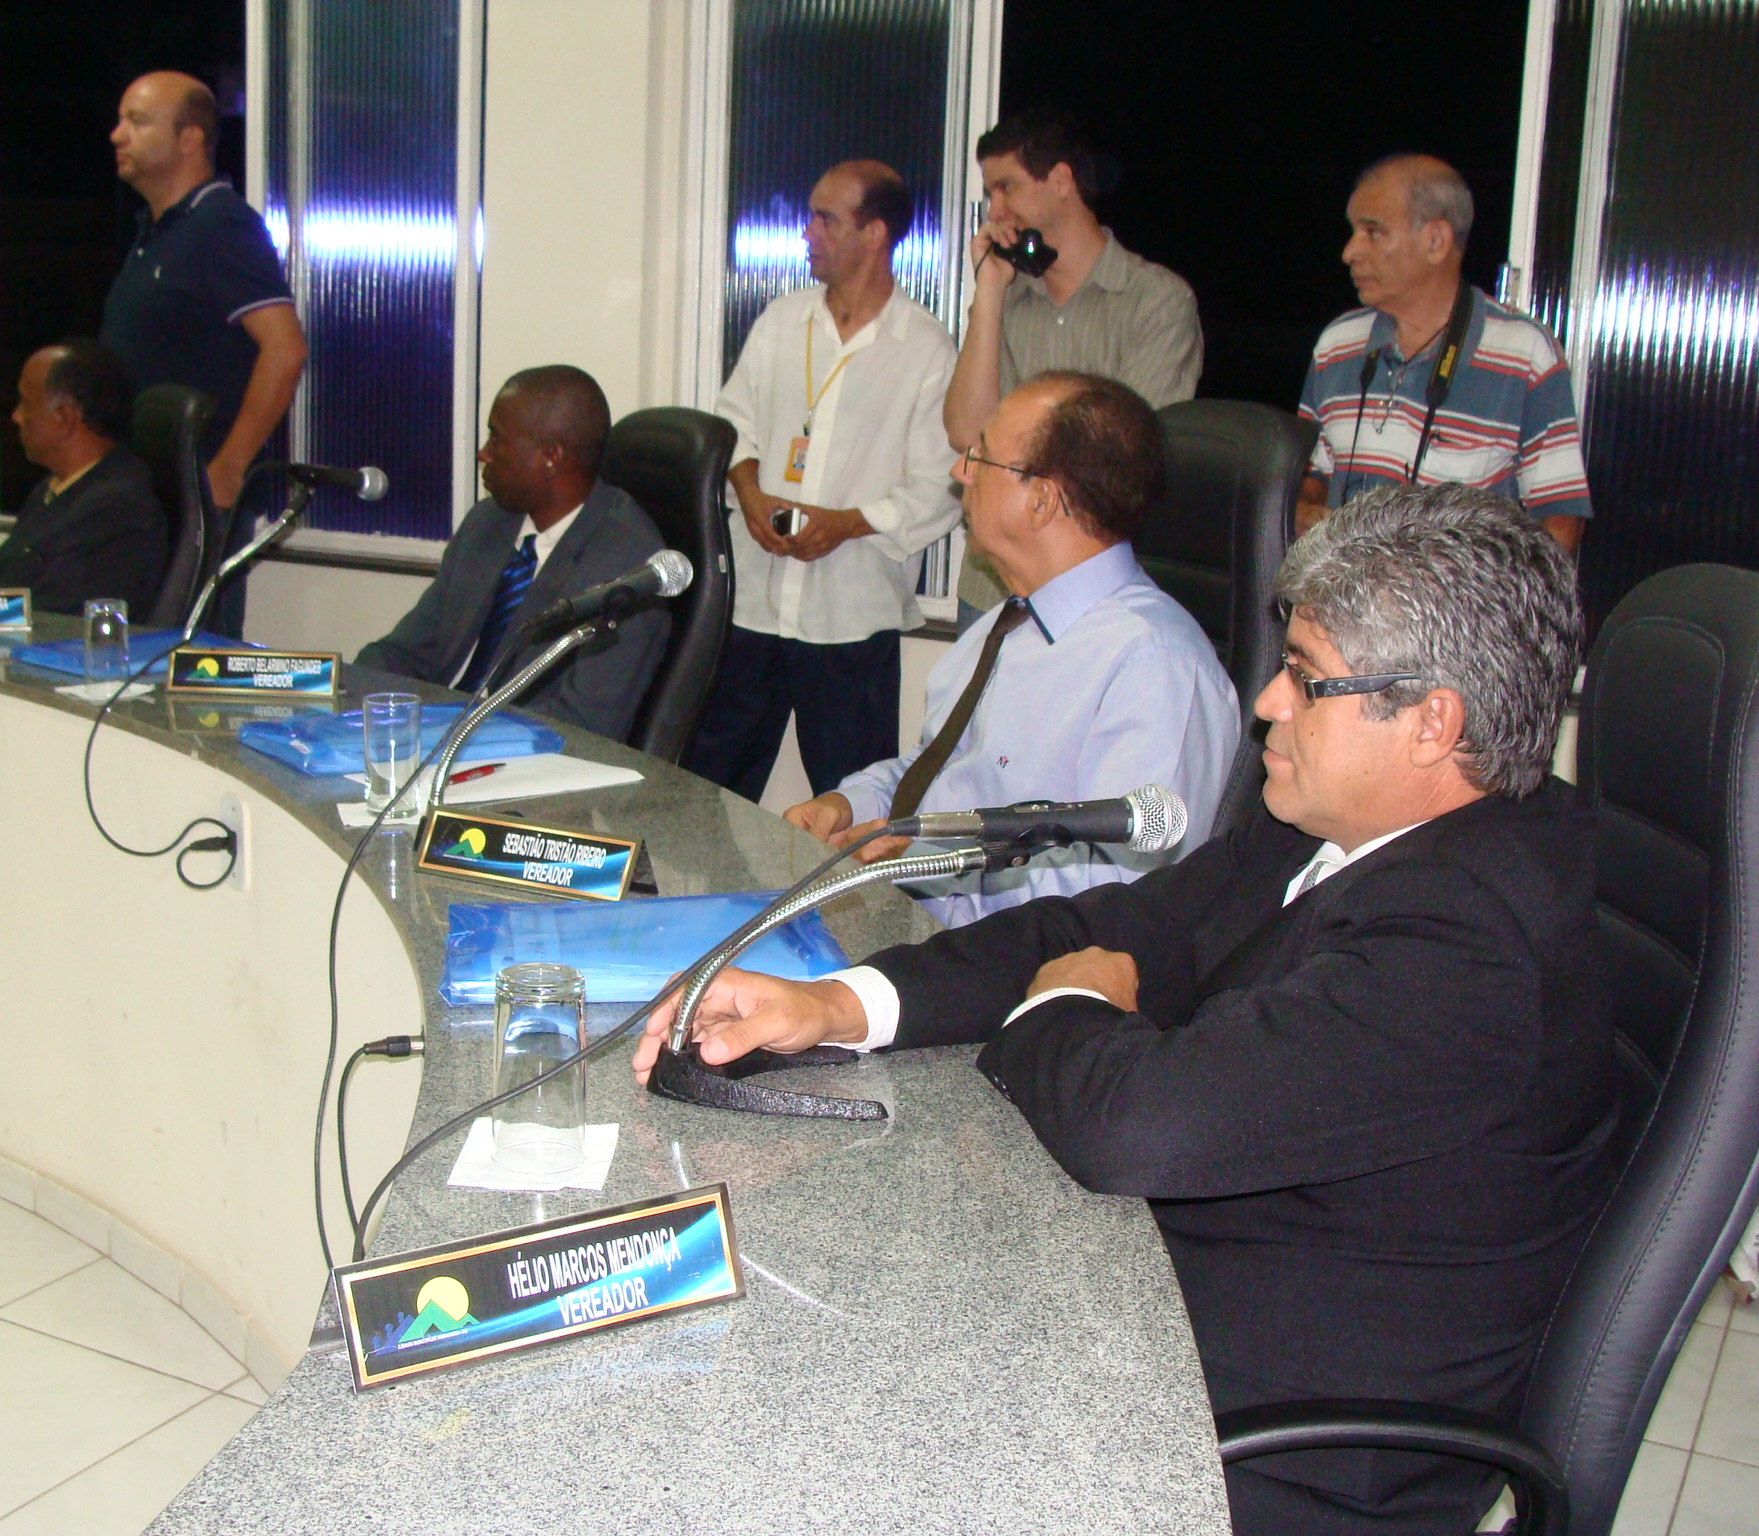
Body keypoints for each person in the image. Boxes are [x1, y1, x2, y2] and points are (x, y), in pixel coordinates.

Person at [637, 483, 1615, 1536]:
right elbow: (1103, 925)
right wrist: (836, 1004)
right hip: (1152, 1310)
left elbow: (1138, 1126)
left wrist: (1062, 1006)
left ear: (1432, 723)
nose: (1268, 704)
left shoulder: (1471, 947)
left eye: (1305, 676)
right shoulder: (1342, 822)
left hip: (1263, 1451)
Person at [781, 372, 1236, 925]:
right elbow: (937, 773)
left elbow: (1112, 903)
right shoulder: (1010, 621)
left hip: (999, 963)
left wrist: (918, 862)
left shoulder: (1156, 666)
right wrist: (849, 804)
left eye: (979, 456)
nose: (958, 471)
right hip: (909, 926)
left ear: (1041, 499)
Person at [682, 161, 960, 803]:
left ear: (875, 232)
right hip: (753, 602)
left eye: (825, 219)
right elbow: (732, 425)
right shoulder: (781, 321)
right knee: (707, 792)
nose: (807, 232)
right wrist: (750, 494)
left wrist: (848, 524)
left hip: (851, 618)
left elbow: (939, 488)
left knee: (853, 805)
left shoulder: (925, 348)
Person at [943, 108, 1203, 622]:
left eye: (1006, 188)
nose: (996, 211)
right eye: (990, 194)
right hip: (992, 587)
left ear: (1062, 180)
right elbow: (966, 434)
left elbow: (1124, 463)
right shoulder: (1007, 302)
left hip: (1091, 597)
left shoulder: (1154, 301)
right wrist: (989, 291)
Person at [353, 366, 668, 741]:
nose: (483, 453)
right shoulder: (488, 522)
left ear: (551, 457)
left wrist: (442, 736)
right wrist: (347, 700)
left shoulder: (628, 565)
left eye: (497, 438)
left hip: (517, 758)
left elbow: (583, 725)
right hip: (435, 736)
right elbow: (405, 652)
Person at [1296, 155, 1592, 553]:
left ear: (1436, 241)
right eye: (1353, 232)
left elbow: (1560, 520)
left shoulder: (1524, 353)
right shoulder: (1337, 344)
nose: (1350, 251)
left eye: (1373, 232)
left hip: (1458, 594)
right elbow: (1312, 475)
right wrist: (1302, 510)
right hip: (1343, 588)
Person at [99, 71, 307, 636]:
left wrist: (229, 468)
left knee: (191, 661)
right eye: (119, 120)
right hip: (147, 496)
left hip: (196, 501)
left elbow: (285, 349)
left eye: (138, 121)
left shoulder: (222, 226)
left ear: (190, 138)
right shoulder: (158, 230)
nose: (118, 135)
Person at [0, 340, 167, 617]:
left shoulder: (119, 510)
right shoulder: (54, 491)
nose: (16, 416)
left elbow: (52, 615)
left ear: (63, 417)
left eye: (26, 404)